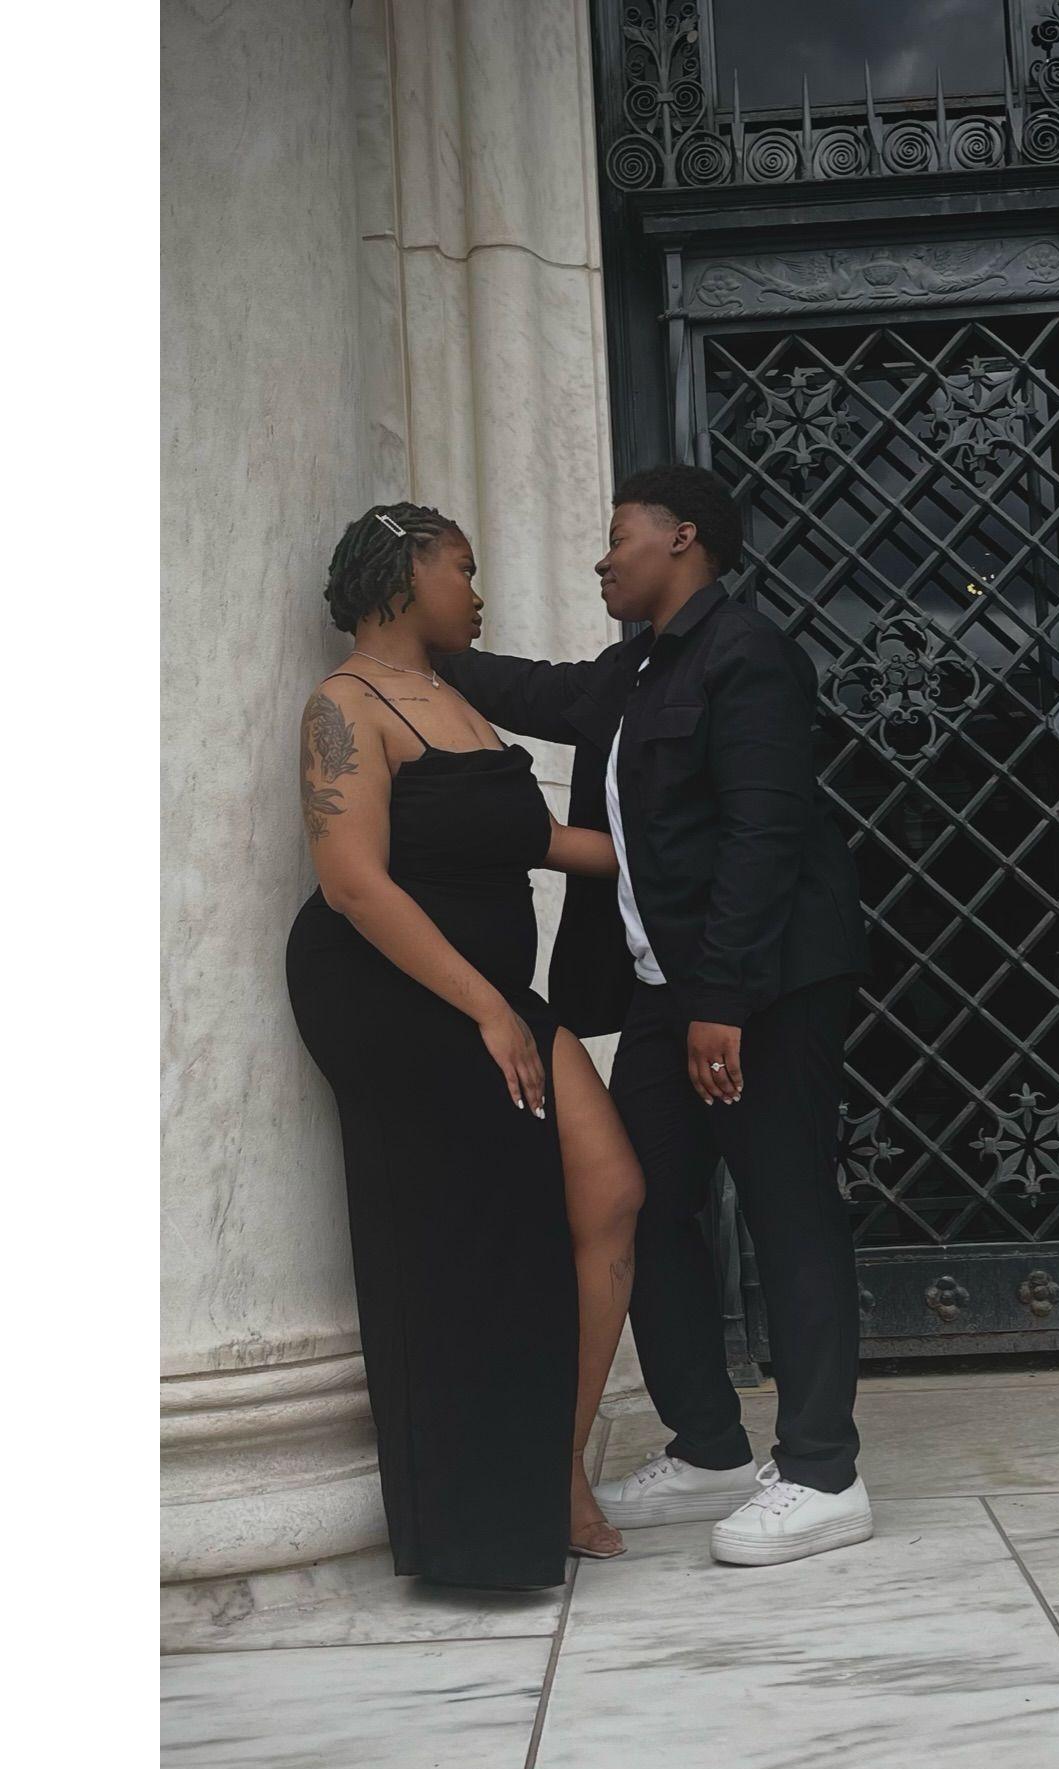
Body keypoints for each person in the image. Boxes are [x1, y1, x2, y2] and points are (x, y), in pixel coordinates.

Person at [435, 465, 873, 1568]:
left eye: (619, 535)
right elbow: (534, 692)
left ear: (683, 539)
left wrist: (723, 999)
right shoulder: (631, 671)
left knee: (787, 1210)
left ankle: (824, 1473)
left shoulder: (748, 656)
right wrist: (421, 645)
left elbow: (766, 834)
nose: (602, 557)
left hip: (763, 988)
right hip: (671, 992)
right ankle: (712, 1444)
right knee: (640, 1202)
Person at [284, 503, 644, 1586]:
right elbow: (352, 884)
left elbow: (540, 839)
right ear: (405, 574)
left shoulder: (454, 696)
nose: (477, 594)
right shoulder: (345, 704)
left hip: (490, 995)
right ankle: (488, 1519)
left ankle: (555, 1464)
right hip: (394, 994)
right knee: (468, 1247)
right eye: (464, 569)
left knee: (612, 1191)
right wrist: (489, 1010)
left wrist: (686, 849)